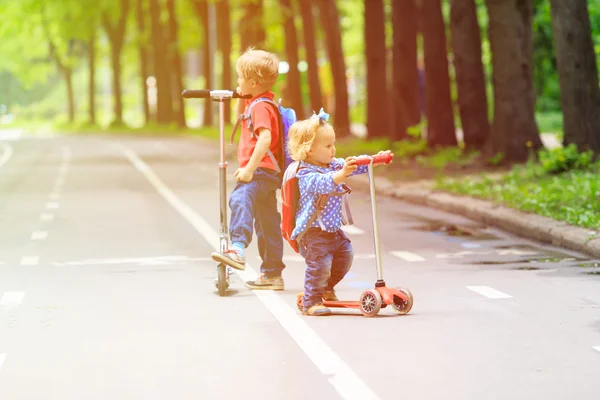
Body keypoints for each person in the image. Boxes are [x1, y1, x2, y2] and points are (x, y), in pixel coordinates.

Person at [287, 109, 393, 316]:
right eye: (328, 146)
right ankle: (311, 301)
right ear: (308, 150)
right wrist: (341, 174)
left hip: (333, 231)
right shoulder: (306, 173)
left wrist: (373, 160)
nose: (333, 150)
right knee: (320, 266)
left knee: (345, 257)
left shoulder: (332, 164)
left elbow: (352, 165)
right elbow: (324, 184)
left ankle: (326, 288)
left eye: (333, 144)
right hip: (313, 234)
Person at [211, 48, 286, 290]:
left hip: (259, 171)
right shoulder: (258, 103)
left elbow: (265, 139)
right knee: (267, 222)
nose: (237, 82)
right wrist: (244, 96)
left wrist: (249, 170)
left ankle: (238, 248)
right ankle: (273, 274)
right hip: (269, 174)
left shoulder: (260, 107)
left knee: (240, 197)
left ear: (253, 82)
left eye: (240, 78)